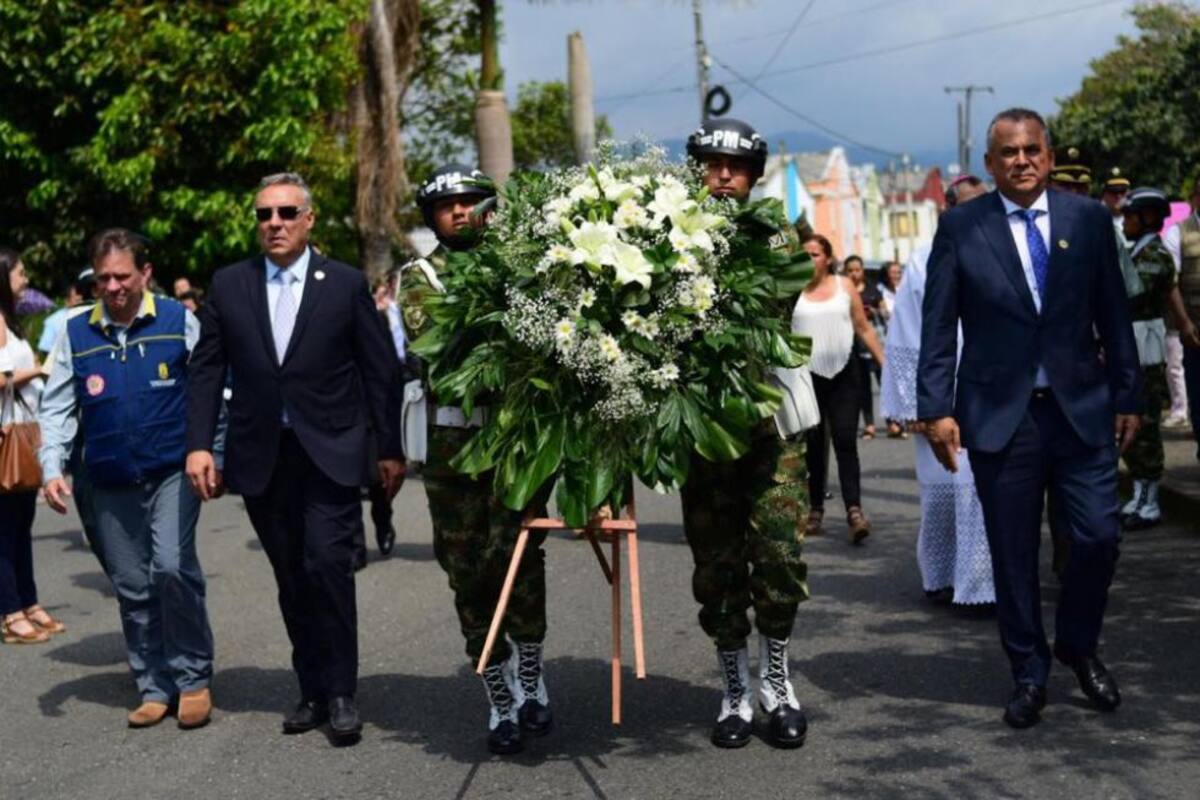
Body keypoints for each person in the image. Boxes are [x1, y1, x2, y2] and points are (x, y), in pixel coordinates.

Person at [919, 108, 1141, 729]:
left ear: (1048, 154)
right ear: (990, 164)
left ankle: (1077, 643)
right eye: (1008, 153)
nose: (1021, 161)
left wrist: (1129, 395)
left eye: (1031, 150)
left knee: (1098, 536)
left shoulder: (1088, 219)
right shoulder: (961, 227)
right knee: (1013, 554)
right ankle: (1029, 671)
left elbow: (1114, 312)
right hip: (1000, 417)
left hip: (1082, 411)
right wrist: (935, 409)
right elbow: (939, 324)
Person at [185, 172, 404, 747]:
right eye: (265, 214)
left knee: (328, 565)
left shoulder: (344, 284)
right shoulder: (229, 284)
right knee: (291, 575)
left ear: (309, 220)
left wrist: (389, 448)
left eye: (286, 213)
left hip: (331, 450)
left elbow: (380, 370)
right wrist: (200, 444)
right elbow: (206, 369)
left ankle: (341, 691)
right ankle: (311, 688)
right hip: (262, 456)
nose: (275, 223)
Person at [401, 163, 554, 755]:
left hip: (515, 441)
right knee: (466, 568)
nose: (461, 212)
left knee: (522, 558)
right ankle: (498, 692)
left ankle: (531, 676)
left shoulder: (525, 269)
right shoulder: (419, 278)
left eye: (471, 201)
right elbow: (440, 351)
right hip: (453, 448)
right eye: (447, 206)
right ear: (433, 217)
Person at [38, 229, 215, 729]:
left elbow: (208, 391)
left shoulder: (178, 321)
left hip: (171, 470)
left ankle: (193, 678)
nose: (113, 287)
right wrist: (51, 467)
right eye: (103, 279)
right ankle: (154, 685)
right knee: (133, 585)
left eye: (122, 276)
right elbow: (56, 408)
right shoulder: (76, 332)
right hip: (108, 477)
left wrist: (212, 451)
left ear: (145, 273)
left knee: (171, 567)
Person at [680, 118, 810, 750]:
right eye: (712, 164)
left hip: (769, 425)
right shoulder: (666, 231)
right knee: (717, 565)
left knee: (780, 556)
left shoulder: (776, 232)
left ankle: (777, 683)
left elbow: (769, 307)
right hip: (702, 430)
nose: (724, 175)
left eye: (736, 168)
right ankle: (734, 689)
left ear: (754, 177)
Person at [880, 175, 994, 607]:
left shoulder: (1001, 251)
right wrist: (918, 406)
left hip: (988, 389)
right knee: (944, 490)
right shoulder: (923, 260)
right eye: (968, 207)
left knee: (982, 489)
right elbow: (908, 334)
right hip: (939, 394)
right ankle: (941, 574)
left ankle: (981, 584)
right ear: (948, 211)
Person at [794, 234, 885, 543]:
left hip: (845, 373)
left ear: (828, 259)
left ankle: (854, 511)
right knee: (814, 446)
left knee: (846, 441)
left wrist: (885, 364)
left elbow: (863, 328)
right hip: (807, 376)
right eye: (804, 254)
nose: (809, 260)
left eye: (815, 254)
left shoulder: (844, 286)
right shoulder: (793, 289)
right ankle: (815, 509)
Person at [1118, 188, 1199, 530]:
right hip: (1129, 347)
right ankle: (1139, 493)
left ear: (1148, 217)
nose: (1124, 221)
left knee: (1147, 424)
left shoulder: (1154, 256)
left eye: (1130, 215)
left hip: (1145, 350)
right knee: (1131, 425)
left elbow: (1133, 292)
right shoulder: (1135, 251)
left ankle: (1149, 499)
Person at [0, 248, 61, 646]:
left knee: (21, 526)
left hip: (23, 434)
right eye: (19, 273)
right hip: (6, 438)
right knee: (5, 531)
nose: (25, 280)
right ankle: (10, 612)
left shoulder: (12, 321)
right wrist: (36, 370)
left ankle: (28, 601)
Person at [1164, 171, 1200, 456]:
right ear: (1194, 198)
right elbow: (1170, 282)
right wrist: (1184, 324)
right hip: (1195, 331)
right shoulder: (1178, 232)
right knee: (1198, 395)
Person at [843, 255, 884, 439]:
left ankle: (894, 422)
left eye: (857, 270)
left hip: (873, 342)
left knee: (883, 382)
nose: (854, 274)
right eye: (850, 270)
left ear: (862, 271)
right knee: (863, 387)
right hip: (852, 344)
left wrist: (875, 311)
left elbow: (884, 311)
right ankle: (869, 425)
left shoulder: (872, 289)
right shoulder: (842, 291)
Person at [37, 267, 95, 356]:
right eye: (77, 300)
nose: (81, 303)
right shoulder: (53, 321)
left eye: (82, 299)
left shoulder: (92, 315)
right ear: (67, 302)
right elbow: (45, 348)